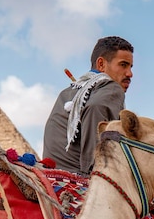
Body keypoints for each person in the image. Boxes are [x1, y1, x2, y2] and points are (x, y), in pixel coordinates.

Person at [42, 36, 134, 176]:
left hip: (52, 178)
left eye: (130, 67)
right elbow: (96, 108)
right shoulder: (112, 87)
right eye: (123, 65)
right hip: (82, 180)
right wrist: (95, 172)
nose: (130, 74)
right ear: (101, 64)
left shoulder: (68, 92)